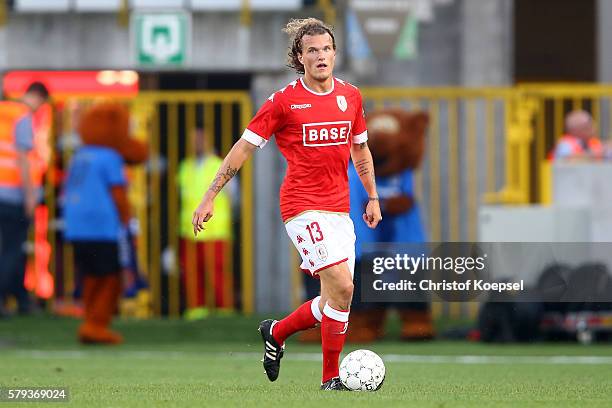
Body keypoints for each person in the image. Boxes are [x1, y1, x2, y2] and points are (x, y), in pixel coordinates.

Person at [192, 18, 381, 390]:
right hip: (301, 207)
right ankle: (331, 379)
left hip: (339, 211)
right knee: (342, 288)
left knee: (333, 298)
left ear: (335, 53)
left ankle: (276, 332)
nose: (321, 56)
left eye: (326, 49)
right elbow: (244, 146)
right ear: (300, 56)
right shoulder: (283, 101)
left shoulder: (351, 96)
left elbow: (360, 148)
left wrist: (372, 196)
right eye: (312, 50)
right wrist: (210, 194)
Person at [63, 102, 148, 344]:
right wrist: (127, 220)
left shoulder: (80, 155)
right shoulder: (110, 157)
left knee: (90, 277)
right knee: (110, 277)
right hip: (101, 226)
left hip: (76, 227)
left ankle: (90, 321)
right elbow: (117, 193)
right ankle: (96, 324)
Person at [0, 82, 50, 316]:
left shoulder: (3, 113)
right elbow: (22, 158)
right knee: (12, 249)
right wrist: (31, 197)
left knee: (10, 249)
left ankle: (20, 298)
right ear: (38, 97)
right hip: (13, 195)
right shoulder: (21, 116)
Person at [178, 127, 233, 318]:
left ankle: (224, 310)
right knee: (192, 272)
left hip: (215, 230)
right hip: (189, 230)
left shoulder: (220, 164)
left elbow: (235, 197)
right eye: (193, 139)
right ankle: (196, 309)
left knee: (217, 272)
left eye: (200, 139)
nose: (196, 143)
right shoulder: (185, 166)